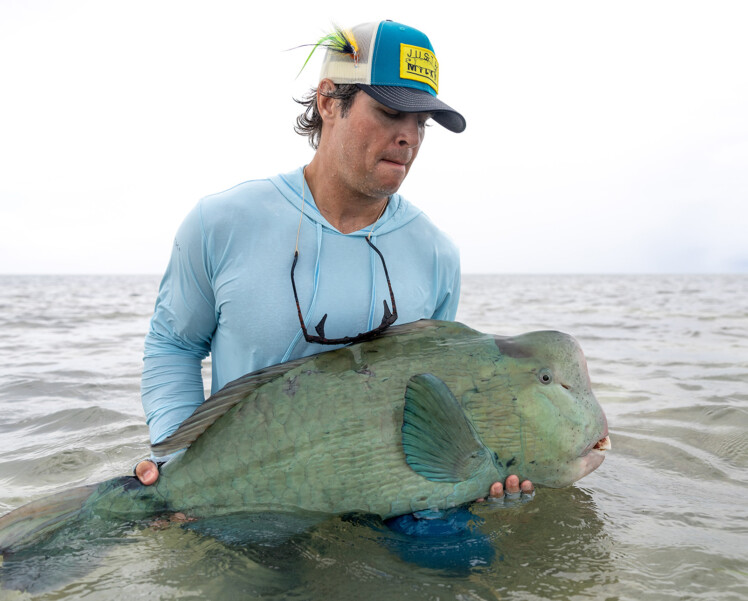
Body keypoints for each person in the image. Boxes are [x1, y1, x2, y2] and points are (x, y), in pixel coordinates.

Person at [135, 20, 534, 509]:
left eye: (421, 122)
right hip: (251, 497)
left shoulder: (436, 253)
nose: (408, 136)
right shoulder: (223, 222)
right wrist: (180, 462)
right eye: (390, 111)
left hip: (393, 502)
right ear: (328, 100)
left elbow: (437, 394)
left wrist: (492, 471)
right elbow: (174, 344)